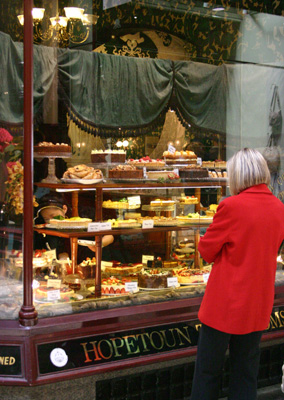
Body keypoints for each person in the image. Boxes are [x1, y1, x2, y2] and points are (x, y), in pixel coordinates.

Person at [190, 148, 284, 400]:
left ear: (238, 176)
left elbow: (206, 251)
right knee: (246, 375)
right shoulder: (279, 208)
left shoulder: (231, 206)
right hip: (257, 304)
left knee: (208, 374)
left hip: (224, 306)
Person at [34, 192, 114, 262]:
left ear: (64, 209)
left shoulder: (83, 217)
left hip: (91, 260)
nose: (50, 221)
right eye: (47, 219)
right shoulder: (45, 227)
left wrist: (99, 244)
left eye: (53, 216)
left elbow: (110, 234)